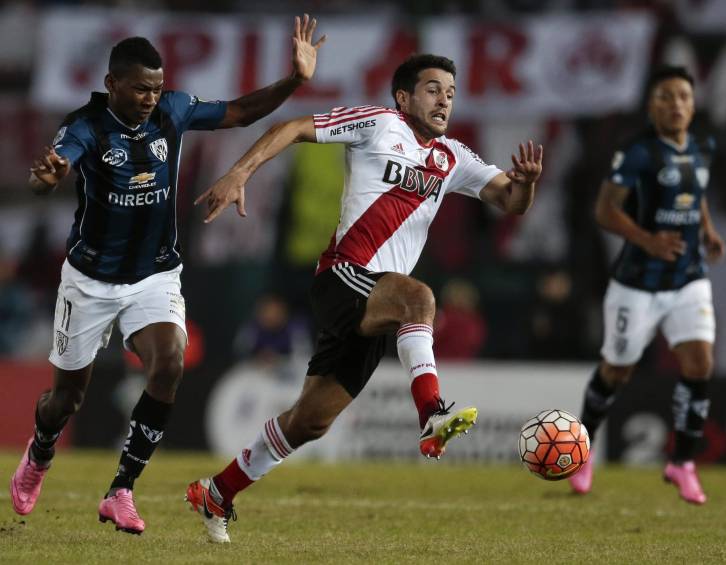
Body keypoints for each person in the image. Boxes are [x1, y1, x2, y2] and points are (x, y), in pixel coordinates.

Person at [186, 53, 543, 543]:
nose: (445, 100)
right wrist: (241, 171)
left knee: (310, 422)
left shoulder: (453, 157)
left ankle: (216, 492)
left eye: (452, 93)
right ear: (403, 96)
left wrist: (524, 185)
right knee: (420, 299)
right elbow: (293, 127)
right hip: (345, 276)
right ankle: (432, 414)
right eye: (434, 89)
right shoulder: (378, 123)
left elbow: (510, 202)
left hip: (380, 303)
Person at [10, 15, 326, 535]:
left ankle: (121, 490)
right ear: (112, 84)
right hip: (89, 280)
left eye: (156, 88)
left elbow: (242, 111)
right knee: (66, 398)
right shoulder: (86, 125)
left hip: (154, 275)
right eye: (139, 89)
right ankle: (39, 454)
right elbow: (57, 165)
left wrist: (295, 81)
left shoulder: (174, 111)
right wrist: (49, 178)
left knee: (170, 362)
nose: (150, 98)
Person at [568, 66, 726, 504]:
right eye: (665, 96)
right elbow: (604, 210)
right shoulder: (636, 152)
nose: (675, 104)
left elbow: (698, 194)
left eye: (683, 96)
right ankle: (582, 452)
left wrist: (707, 231)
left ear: (693, 104)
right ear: (651, 105)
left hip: (689, 278)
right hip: (636, 283)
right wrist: (647, 240)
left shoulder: (703, 147)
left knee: (699, 363)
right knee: (616, 369)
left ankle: (682, 463)